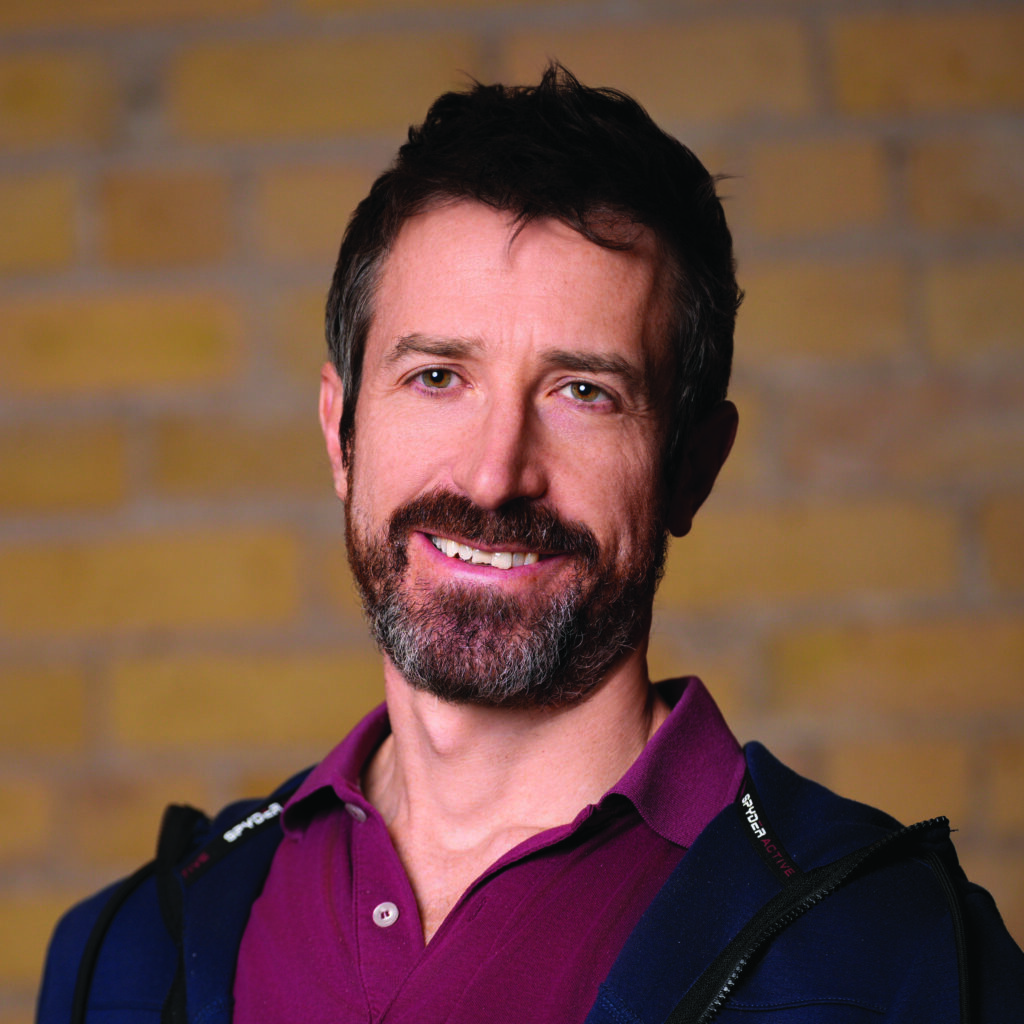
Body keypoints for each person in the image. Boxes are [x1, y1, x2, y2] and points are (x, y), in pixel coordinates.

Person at [38, 64, 1023, 1024]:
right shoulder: (125, 952)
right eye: (436, 377)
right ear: (341, 432)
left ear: (693, 466)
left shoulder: (897, 955)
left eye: (582, 392)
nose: (493, 474)